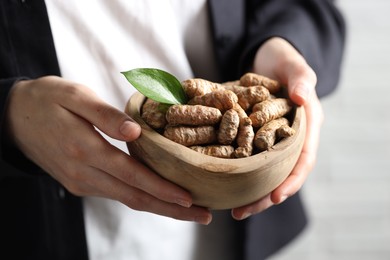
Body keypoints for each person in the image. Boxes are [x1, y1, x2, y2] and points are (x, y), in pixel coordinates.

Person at [0, 0, 345, 259]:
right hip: (46, 226)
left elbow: (307, 8)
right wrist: (9, 115)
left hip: (230, 230)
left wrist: (283, 46)